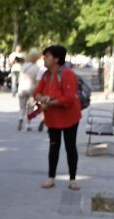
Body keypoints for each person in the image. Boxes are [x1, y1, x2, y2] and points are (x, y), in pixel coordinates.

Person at [33, 44, 82, 190]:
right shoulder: (46, 75)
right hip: (53, 119)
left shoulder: (67, 74)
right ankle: (51, 177)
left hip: (69, 118)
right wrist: (42, 98)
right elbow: (36, 93)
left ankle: (73, 179)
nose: (44, 59)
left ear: (56, 59)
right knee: (53, 147)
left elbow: (68, 99)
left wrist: (49, 102)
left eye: (47, 56)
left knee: (70, 146)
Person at [16, 51, 41, 131]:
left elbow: (19, 78)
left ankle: (20, 118)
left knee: (21, 106)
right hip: (31, 88)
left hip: (22, 88)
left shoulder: (23, 66)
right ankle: (28, 125)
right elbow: (37, 81)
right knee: (30, 107)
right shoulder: (37, 68)